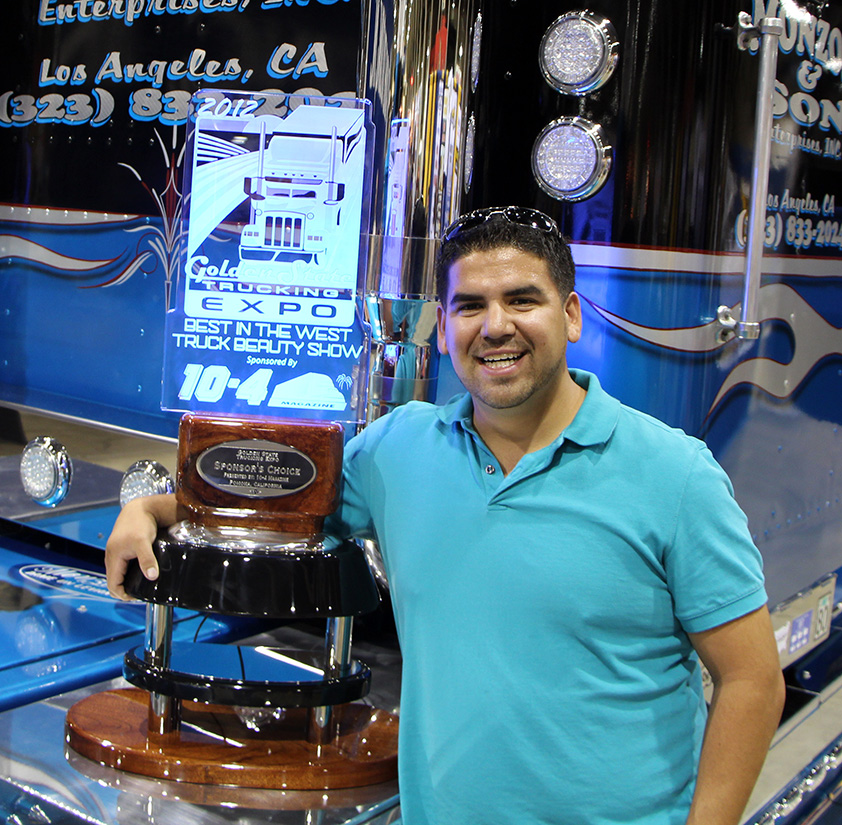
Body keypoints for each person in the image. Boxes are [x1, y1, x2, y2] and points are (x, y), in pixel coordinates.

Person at [107, 206, 785, 825]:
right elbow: (278, 505)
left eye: (522, 300)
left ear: (572, 315)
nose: (496, 326)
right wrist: (151, 509)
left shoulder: (675, 474)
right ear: (443, 325)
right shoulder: (399, 450)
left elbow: (751, 680)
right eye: (470, 305)